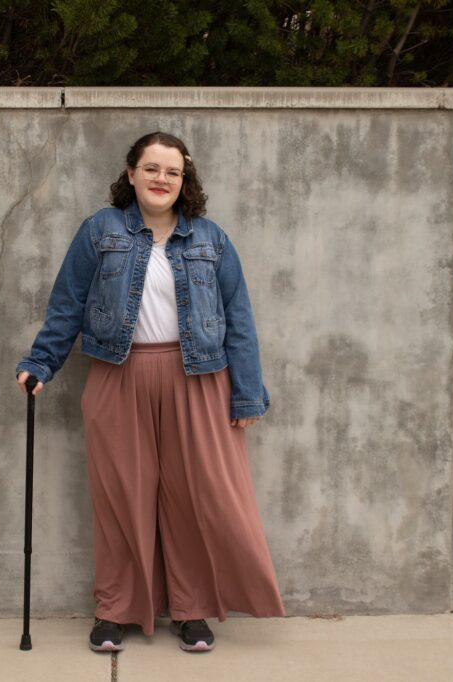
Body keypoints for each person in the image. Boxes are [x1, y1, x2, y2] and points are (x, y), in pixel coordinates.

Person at [15, 132, 284, 653]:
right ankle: (115, 608)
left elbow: (239, 321)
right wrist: (41, 362)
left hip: (200, 379)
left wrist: (247, 393)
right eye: (152, 168)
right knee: (122, 496)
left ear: (185, 181)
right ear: (132, 173)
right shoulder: (101, 230)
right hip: (119, 374)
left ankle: (190, 610)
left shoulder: (211, 239)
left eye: (173, 172)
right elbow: (68, 303)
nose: (162, 179)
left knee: (192, 497)